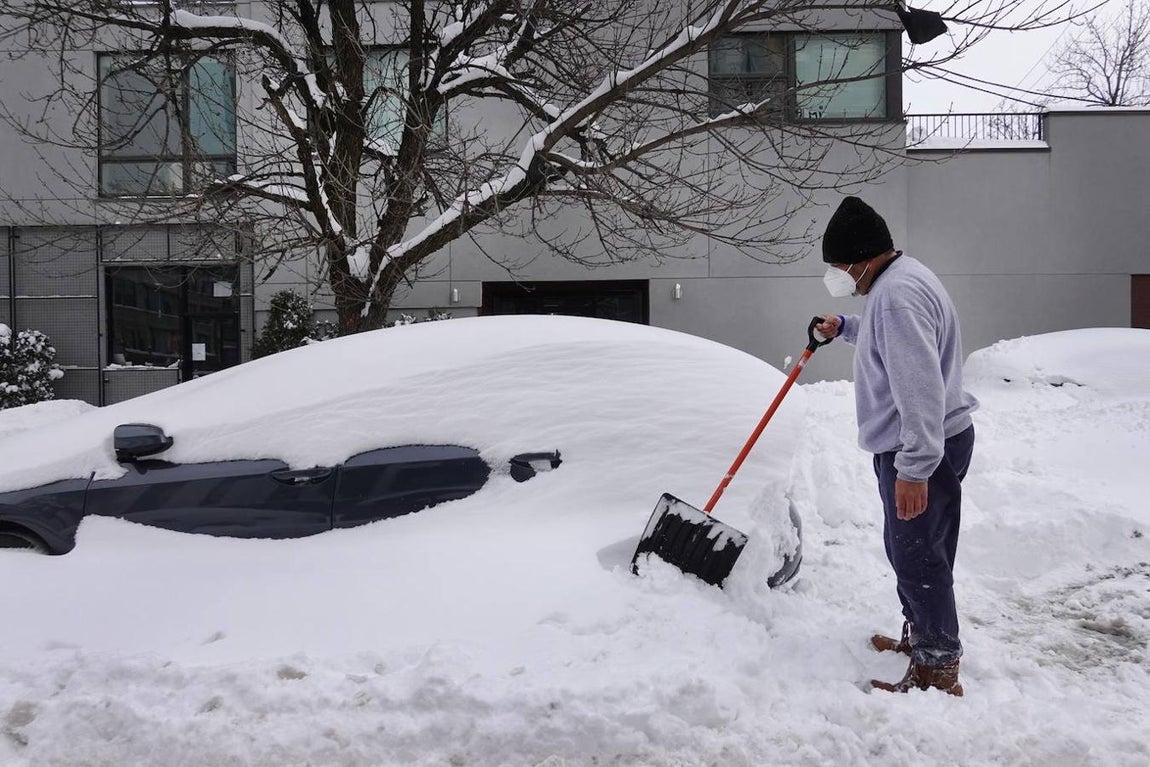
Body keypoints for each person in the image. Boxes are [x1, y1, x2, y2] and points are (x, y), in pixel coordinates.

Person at [814, 196, 979, 697]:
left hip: (922, 448)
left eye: (840, 266)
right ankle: (923, 636)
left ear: (863, 259)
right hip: (928, 444)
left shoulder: (897, 296)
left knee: (918, 557)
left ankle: (937, 666)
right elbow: (893, 341)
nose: (837, 275)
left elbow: (920, 388)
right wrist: (845, 327)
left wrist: (914, 468)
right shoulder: (899, 281)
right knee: (913, 549)